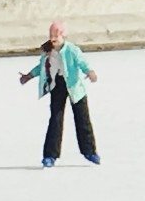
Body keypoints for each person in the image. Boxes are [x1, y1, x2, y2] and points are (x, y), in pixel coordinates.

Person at [19, 20, 100, 168]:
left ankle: (89, 151)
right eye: (51, 35)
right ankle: (50, 155)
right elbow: (41, 67)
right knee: (55, 119)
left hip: (75, 86)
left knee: (82, 119)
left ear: (63, 36)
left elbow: (82, 62)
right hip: (57, 85)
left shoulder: (72, 50)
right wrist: (29, 76)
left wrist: (90, 72)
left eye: (57, 35)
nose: (53, 38)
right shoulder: (48, 52)